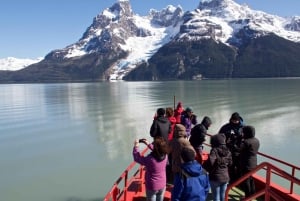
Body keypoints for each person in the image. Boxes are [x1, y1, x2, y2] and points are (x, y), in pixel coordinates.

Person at [133, 137, 169, 201]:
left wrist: (136, 147)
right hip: (163, 183)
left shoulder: (150, 159)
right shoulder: (165, 156)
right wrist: (148, 144)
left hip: (152, 186)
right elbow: (158, 151)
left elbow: (137, 158)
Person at [203, 133, 232, 201]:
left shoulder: (214, 150)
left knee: (216, 196)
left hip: (215, 177)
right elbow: (230, 163)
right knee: (223, 195)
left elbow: (211, 162)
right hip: (225, 176)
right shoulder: (228, 151)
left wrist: (206, 168)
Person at [218, 112, 244, 183]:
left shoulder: (243, 128)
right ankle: (232, 180)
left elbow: (247, 139)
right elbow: (219, 136)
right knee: (230, 166)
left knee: (239, 167)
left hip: (239, 151)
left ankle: (239, 181)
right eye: (233, 120)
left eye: (236, 120)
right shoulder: (226, 127)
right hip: (228, 150)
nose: (235, 121)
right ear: (231, 119)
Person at [239, 125, 260, 198]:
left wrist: (239, 140)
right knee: (251, 179)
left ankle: (247, 197)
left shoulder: (246, 142)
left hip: (246, 163)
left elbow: (238, 149)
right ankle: (253, 194)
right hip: (254, 163)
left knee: (246, 180)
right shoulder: (256, 140)